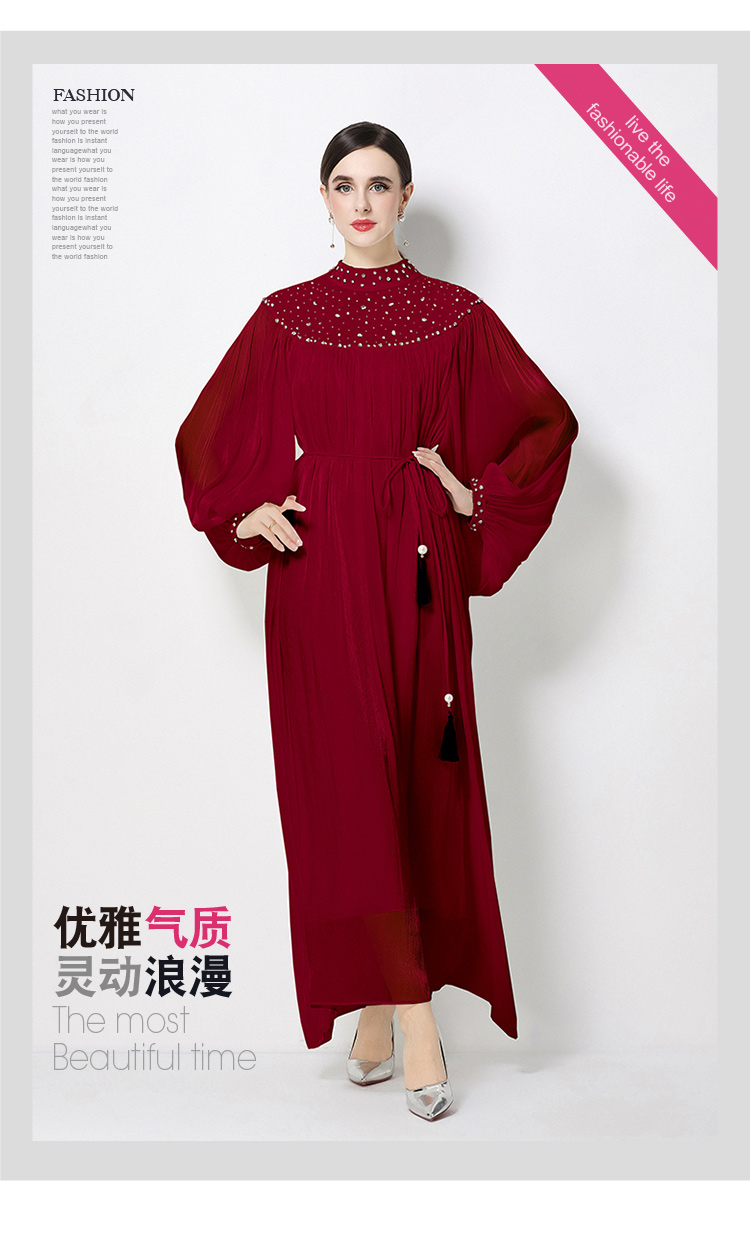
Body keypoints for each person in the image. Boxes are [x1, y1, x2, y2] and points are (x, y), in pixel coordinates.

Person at [175, 121, 579, 1121]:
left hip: (416, 566)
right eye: (345, 184)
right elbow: (204, 435)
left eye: (380, 184)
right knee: (344, 786)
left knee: (416, 777)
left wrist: (472, 493)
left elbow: (546, 422)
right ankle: (404, 1011)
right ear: (323, 199)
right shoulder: (285, 318)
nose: (362, 202)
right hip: (318, 568)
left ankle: (390, 1009)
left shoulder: (456, 317)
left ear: (405, 198)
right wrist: (243, 511)